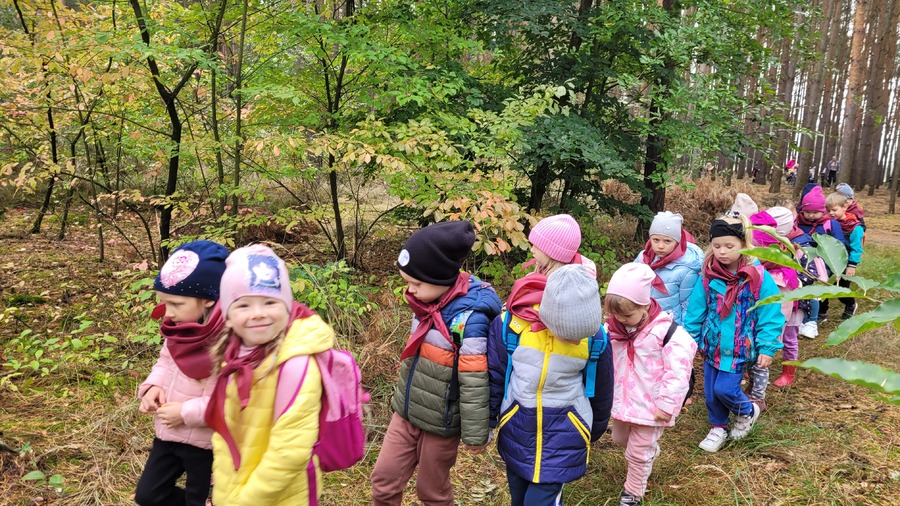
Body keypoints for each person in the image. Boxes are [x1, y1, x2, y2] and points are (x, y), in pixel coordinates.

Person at [370, 221, 502, 506]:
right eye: (407, 282)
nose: (410, 290)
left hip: (441, 422)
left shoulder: (470, 319)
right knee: (383, 480)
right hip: (406, 412)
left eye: (416, 284)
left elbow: (475, 379)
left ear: (441, 278)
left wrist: (477, 434)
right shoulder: (424, 304)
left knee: (432, 492)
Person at [205, 244, 336, 505]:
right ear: (227, 317)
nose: (258, 314)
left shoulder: (296, 365)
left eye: (269, 302)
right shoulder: (234, 356)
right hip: (236, 487)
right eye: (243, 305)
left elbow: (289, 452)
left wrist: (243, 501)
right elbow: (226, 432)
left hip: (279, 495)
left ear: (288, 308)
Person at [487, 264, 612, 506]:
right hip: (518, 429)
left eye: (582, 335)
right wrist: (490, 420)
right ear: (549, 318)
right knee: (518, 497)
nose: (576, 340)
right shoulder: (512, 328)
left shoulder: (595, 339)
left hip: (566, 433)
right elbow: (496, 376)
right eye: (569, 335)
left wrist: (593, 430)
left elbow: (603, 389)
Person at [135, 240, 228, 506]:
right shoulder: (179, 330)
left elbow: (230, 399)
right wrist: (153, 386)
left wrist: (185, 413)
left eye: (176, 303)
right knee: (149, 495)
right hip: (168, 433)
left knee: (197, 499)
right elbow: (166, 362)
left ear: (208, 298)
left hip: (207, 443)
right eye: (164, 303)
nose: (168, 312)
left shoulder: (228, 341)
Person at [683, 213, 785, 452]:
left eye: (729, 246)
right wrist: (689, 342)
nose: (722, 252)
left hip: (740, 347)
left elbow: (770, 313)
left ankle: (747, 411)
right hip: (712, 345)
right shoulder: (708, 277)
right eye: (717, 245)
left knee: (725, 389)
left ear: (744, 244)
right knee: (711, 393)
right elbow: (696, 311)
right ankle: (718, 426)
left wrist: (767, 345)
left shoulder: (757, 277)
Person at [605, 263, 696, 506]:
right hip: (624, 401)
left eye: (627, 315)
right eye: (616, 315)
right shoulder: (612, 330)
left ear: (644, 305)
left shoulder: (665, 332)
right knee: (619, 438)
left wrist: (667, 405)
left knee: (637, 452)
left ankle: (633, 492)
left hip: (652, 405)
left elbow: (678, 370)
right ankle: (647, 454)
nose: (621, 320)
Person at [746, 212, 799, 410]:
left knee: (763, 358)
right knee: (753, 358)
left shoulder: (780, 275)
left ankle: (759, 395)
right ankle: (752, 386)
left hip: (773, 324)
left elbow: (780, 310)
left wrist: (770, 338)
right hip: (754, 321)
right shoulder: (755, 268)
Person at [633, 211, 703, 326]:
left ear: (677, 242)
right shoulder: (643, 259)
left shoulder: (686, 269)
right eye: (656, 240)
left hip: (670, 326)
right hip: (643, 323)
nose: (660, 246)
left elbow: (688, 305)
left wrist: (685, 332)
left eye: (667, 241)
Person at [797, 186, 845, 324]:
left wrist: (837, 267)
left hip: (824, 262)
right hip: (802, 261)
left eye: (815, 212)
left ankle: (818, 314)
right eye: (807, 212)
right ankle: (802, 313)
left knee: (818, 287)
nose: (811, 216)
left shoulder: (830, 224)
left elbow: (839, 245)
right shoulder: (798, 222)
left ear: (822, 210)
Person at [827, 192, 865, 319]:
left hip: (846, 262)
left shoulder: (855, 227)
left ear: (844, 207)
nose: (831, 213)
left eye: (834, 210)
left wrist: (852, 265)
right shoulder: (829, 223)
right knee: (826, 285)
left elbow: (857, 248)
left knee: (841, 288)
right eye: (828, 210)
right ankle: (822, 312)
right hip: (831, 260)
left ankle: (850, 304)